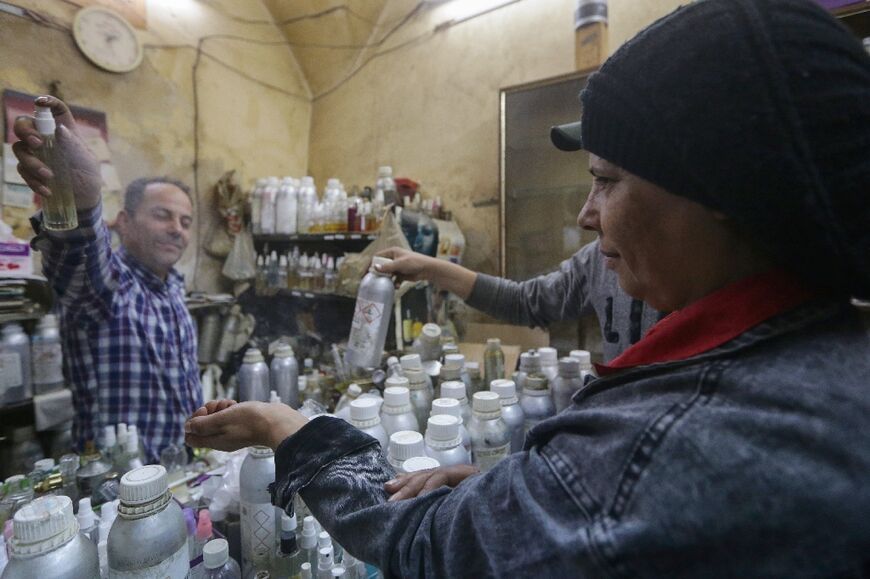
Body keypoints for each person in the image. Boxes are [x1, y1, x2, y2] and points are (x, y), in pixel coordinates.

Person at [208, 0, 870, 575]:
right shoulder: (827, 346)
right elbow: (530, 303)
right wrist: (531, 488)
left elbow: (427, 544)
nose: (586, 214)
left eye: (608, 180)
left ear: (725, 188)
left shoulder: (669, 442)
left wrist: (287, 426)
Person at [13, 96, 202, 463]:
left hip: (178, 475)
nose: (177, 230)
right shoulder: (112, 287)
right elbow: (79, 260)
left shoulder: (173, 288)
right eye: (163, 215)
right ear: (124, 221)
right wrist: (83, 204)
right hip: (115, 489)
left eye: (185, 221)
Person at [378, 238, 662, 362]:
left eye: (607, 180)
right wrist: (428, 268)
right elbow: (523, 301)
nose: (585, 215)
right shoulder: (597, 260)